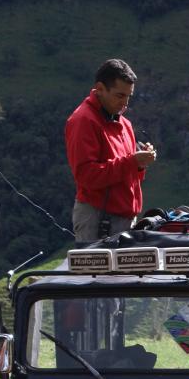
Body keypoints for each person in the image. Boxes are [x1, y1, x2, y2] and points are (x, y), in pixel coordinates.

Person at [65, 58, 158, 243]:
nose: (125, 103)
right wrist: (133, 161)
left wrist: (140, 164)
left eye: (129, 96)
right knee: (96, 263)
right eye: (120, 96)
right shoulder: (83, 121)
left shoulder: (124, 123)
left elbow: (128, 174)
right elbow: (86, 176)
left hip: (125, 219)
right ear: (100, 89)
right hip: (98, 220)